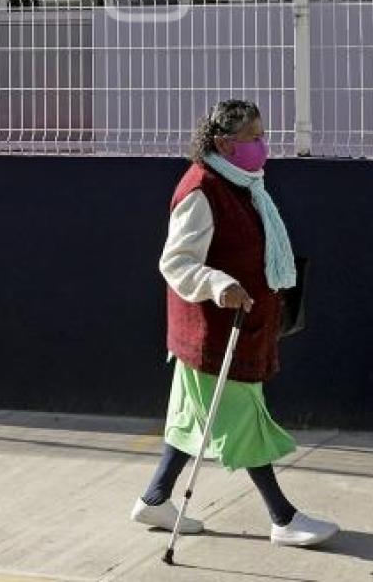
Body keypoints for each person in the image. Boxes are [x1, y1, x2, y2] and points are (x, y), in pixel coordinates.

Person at [130, 98, 339, 549]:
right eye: (253, 138)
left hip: (236, 329)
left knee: (192, 420)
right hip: (215, 333)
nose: (262, 146)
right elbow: (177, 261)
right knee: (245, 423)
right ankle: (282, 518)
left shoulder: (243, 184)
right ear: (224, 144)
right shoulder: (203, 191)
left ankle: (155, 498)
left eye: (263, 136)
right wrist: (218, 283)